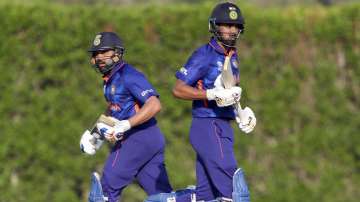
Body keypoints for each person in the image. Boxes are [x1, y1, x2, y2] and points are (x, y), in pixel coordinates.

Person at [172, 2, 256, 201]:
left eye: (235, 26)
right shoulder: (204, 55)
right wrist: (210, 95)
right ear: (215, 26)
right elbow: (178, 89)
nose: (231, 30)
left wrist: (240, 113)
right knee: (235, 193)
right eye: (226, 25)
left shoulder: (232, 57)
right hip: (208, 126)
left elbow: (229, 93)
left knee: (205, 196)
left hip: (222, 127)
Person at [81, 32, 172, 202]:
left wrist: (126, 125)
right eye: (96, 53)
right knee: (163, 196)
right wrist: (95, 134)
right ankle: (199, 198)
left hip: (137, 138)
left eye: (104, 52)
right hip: (149, 138)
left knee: (106, 190)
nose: (99, 57)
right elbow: (115, 109)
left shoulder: (129, 75)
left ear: (117, 52)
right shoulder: (109, 80)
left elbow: (154, 104)